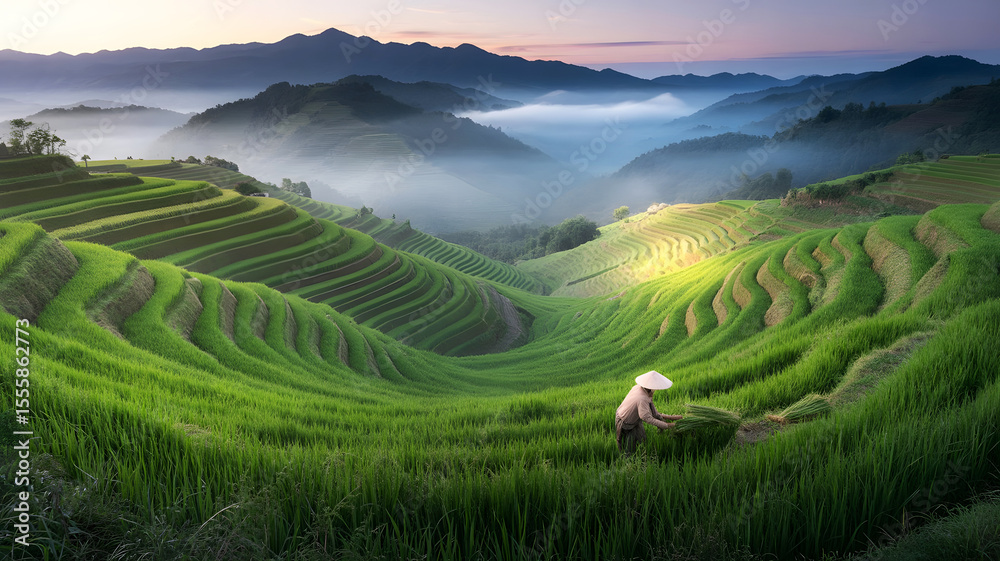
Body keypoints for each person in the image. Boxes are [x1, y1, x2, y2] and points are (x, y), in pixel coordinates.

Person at [615, 370, 683, 455]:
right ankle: (628, 464)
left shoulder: (639, 388)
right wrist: (668, 426)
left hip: (634, 419)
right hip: (625, 421)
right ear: (651, 388)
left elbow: (654, 413)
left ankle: (643, 456)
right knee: (629, 448)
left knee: (642, 440)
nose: (655, 390)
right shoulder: (642, 398)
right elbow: (646, 417)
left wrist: (673, 417)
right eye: (654, 388)